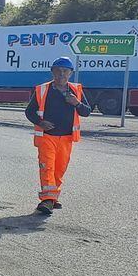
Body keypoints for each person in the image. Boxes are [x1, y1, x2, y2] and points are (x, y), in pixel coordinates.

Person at [23, 56, 92, 215]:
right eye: (58, 71)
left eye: (65, 71)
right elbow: (29, 111)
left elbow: (86, 111)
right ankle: (47, 200)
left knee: (59, 169)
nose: (61, 74)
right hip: (47, 136)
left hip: (67, 138)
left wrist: (76, 103)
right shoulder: (42, 90)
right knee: (47, 166)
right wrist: (40, 122)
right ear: (52, 72)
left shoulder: (76, 91)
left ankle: (53, 197)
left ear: (70, 73)